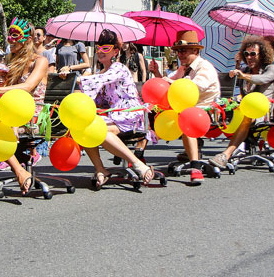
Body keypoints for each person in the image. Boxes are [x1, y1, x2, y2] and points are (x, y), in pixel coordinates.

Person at [78, 29, 154, 188]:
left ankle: (137, 163)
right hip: (113, 116)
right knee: (83, 129)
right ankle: (100, 169)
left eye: (106, 48)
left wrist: (81, 78)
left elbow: (103, 79)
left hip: (129, 115)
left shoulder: (118, 68)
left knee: (98, 130)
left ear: (115, 51)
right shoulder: (100, 72)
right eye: (99, 48)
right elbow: (97, 98)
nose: (100, 51)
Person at [148, 30, 220, 185]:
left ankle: (195, 167)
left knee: (188, 117)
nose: (179, 55)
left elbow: (191, 88)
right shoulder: (183, 68)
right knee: (150, 112)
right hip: (184, 108)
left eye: (183, 51)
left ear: (195, 50)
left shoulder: (204, 67)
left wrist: (169, 81)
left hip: (205, 111)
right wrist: (157, 73)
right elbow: (168, 84)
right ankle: (138, 155)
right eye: (178, 51)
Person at [0, 17, 48, 195]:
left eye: (15, 35)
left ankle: (19, 171)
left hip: (32, 113)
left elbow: (28, 87)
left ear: (28, 40)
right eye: (9, 34)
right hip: (11, 110)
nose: (10, 39)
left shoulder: (40, 61)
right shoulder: (10, 63)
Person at [208, 36, 274, 168]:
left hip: (264, 110)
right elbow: (230, 84)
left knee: (248, 116)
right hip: (246, 108)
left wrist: (243, 75)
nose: (249, 57)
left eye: (253, 54)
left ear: (262, 55)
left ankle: (226, 155)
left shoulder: (271, 68)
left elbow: (262, 79)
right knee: (220, 110)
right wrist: (237, 66)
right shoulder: (244, 70)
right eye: (246, 54)